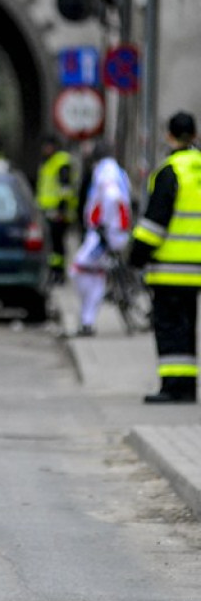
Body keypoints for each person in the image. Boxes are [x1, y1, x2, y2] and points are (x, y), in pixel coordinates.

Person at [129, 111, 201, 404]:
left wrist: (136, 256)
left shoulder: (170, 172)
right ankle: (187, 385)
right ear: (194, 135)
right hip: (196, 268)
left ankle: (173, 387)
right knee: (188, 326)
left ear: (169, 136)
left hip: (170, 267)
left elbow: (154, 223)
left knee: (170, 327)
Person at [68, 142, 131, 336]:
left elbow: (112, 197)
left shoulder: (105, 171)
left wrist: (105, 225)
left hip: (104, 233)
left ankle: (88, 317)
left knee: (78, 269)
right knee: (95, 274)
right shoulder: (118, 170)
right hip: (111, 231)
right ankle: (87, 321)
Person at [36, 134, 77, 284]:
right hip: (48, 211)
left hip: (58, 213)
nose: (45, 149)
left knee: (57, 244)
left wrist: (61, 210)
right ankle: (54, 272)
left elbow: (65, 190)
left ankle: (59, 274)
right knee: (52, 244)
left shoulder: (61, 162)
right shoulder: (48, 162)